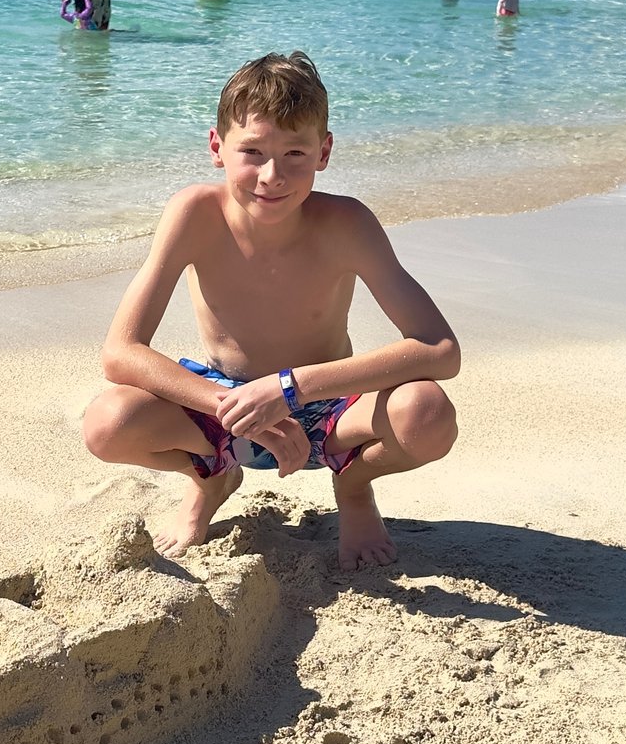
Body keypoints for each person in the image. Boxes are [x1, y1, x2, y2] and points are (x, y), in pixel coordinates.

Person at [81, 51, 460, 572]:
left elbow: (439, 349)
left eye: (295, 154)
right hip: (223, 402)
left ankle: (353, 486)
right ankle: (210, 477)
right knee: (108, 422)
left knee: (427, 414)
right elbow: (120, 353)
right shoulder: (194, 214)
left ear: (324, 151)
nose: (272, 175)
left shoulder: (346, 224)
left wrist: (289, 388)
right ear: (217, 147)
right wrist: (231, 405)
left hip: (325, 408)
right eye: (252, 151)